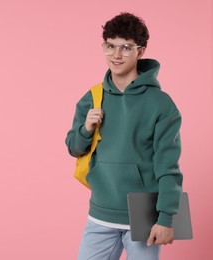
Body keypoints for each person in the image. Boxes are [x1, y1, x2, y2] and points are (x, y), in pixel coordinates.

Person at [65, 12, 183, 260]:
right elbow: (74, 148)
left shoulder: (161, 105)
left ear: (140, 51)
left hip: (143, 215)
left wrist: (166, 218)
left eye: (126, 47)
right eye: (110, 46)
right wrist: (85, 130)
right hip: (99, 213)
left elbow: (168, 167)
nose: (116, 55)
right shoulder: (93, 97)